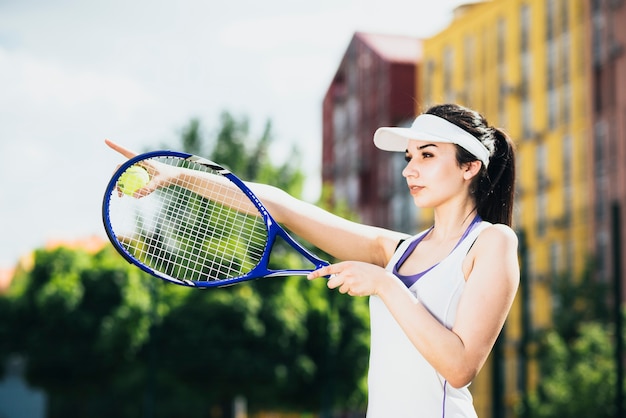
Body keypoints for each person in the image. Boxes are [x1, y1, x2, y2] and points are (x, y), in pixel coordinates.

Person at [105, 102, 519, 417]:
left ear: (470, 166)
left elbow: (460, 366)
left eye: (427, 155)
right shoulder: (396, 250)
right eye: (409, 157)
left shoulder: (492, 242)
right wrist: (176, 175)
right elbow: (277, 205)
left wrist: (384, 284)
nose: (410, 170)